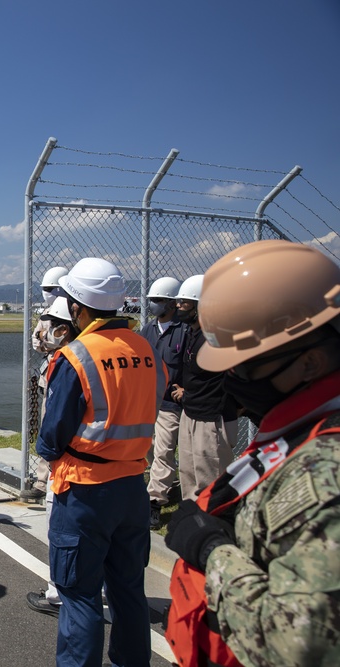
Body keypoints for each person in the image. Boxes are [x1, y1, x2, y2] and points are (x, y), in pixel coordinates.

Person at [164, 239, 340, 667]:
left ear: (310, 363)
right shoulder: (301, 434)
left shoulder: (324, 471)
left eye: (245, 365)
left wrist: (210, 549)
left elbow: (301, 646)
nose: (234, 379)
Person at [36, 257, 166, 667]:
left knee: (78, 593)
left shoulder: (76, 357)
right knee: (129, 588)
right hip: (133, 486)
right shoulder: (145, 348)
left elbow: (51, 437)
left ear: (77, 307)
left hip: (84, 489)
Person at [24, 295, 78, 618]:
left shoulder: (70, 363)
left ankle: (59, 591)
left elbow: (54, 427)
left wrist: (46, 450)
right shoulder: (130, 349)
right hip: (122, 474)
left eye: (57, 327)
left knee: (61, 530)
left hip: (72, 471)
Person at [170, 275, 238, 502]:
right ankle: (193, 518)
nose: (178, 307)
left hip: (211, 417)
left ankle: (215, 522)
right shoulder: (193, 333)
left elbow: (222, 380)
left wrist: (189, 393)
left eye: (185, 303)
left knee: (210, 476)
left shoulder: (217, 338)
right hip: (192, 411)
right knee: (189, 471)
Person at [140, 276, 187, 528]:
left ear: (172, 304)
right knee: (148, 447)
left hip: (170, 403)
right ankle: (168, 483)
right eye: (151, 300)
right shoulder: (147, 330)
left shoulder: (184, 330)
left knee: (164, 449)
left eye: (158, 300)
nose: (153, 305)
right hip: (148, 400)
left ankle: (154, 502)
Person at [22, 266, 68, 503]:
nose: (46, 293)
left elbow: (55, 341)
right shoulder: (46, 313)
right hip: (48, 377)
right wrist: (48, 341)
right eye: (44, 289)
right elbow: (37, 342)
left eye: (50, 289)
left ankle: (59, 479)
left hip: (66, 375)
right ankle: (42, 481)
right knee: (46, 429)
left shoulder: (71, 312)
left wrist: (46, 341)